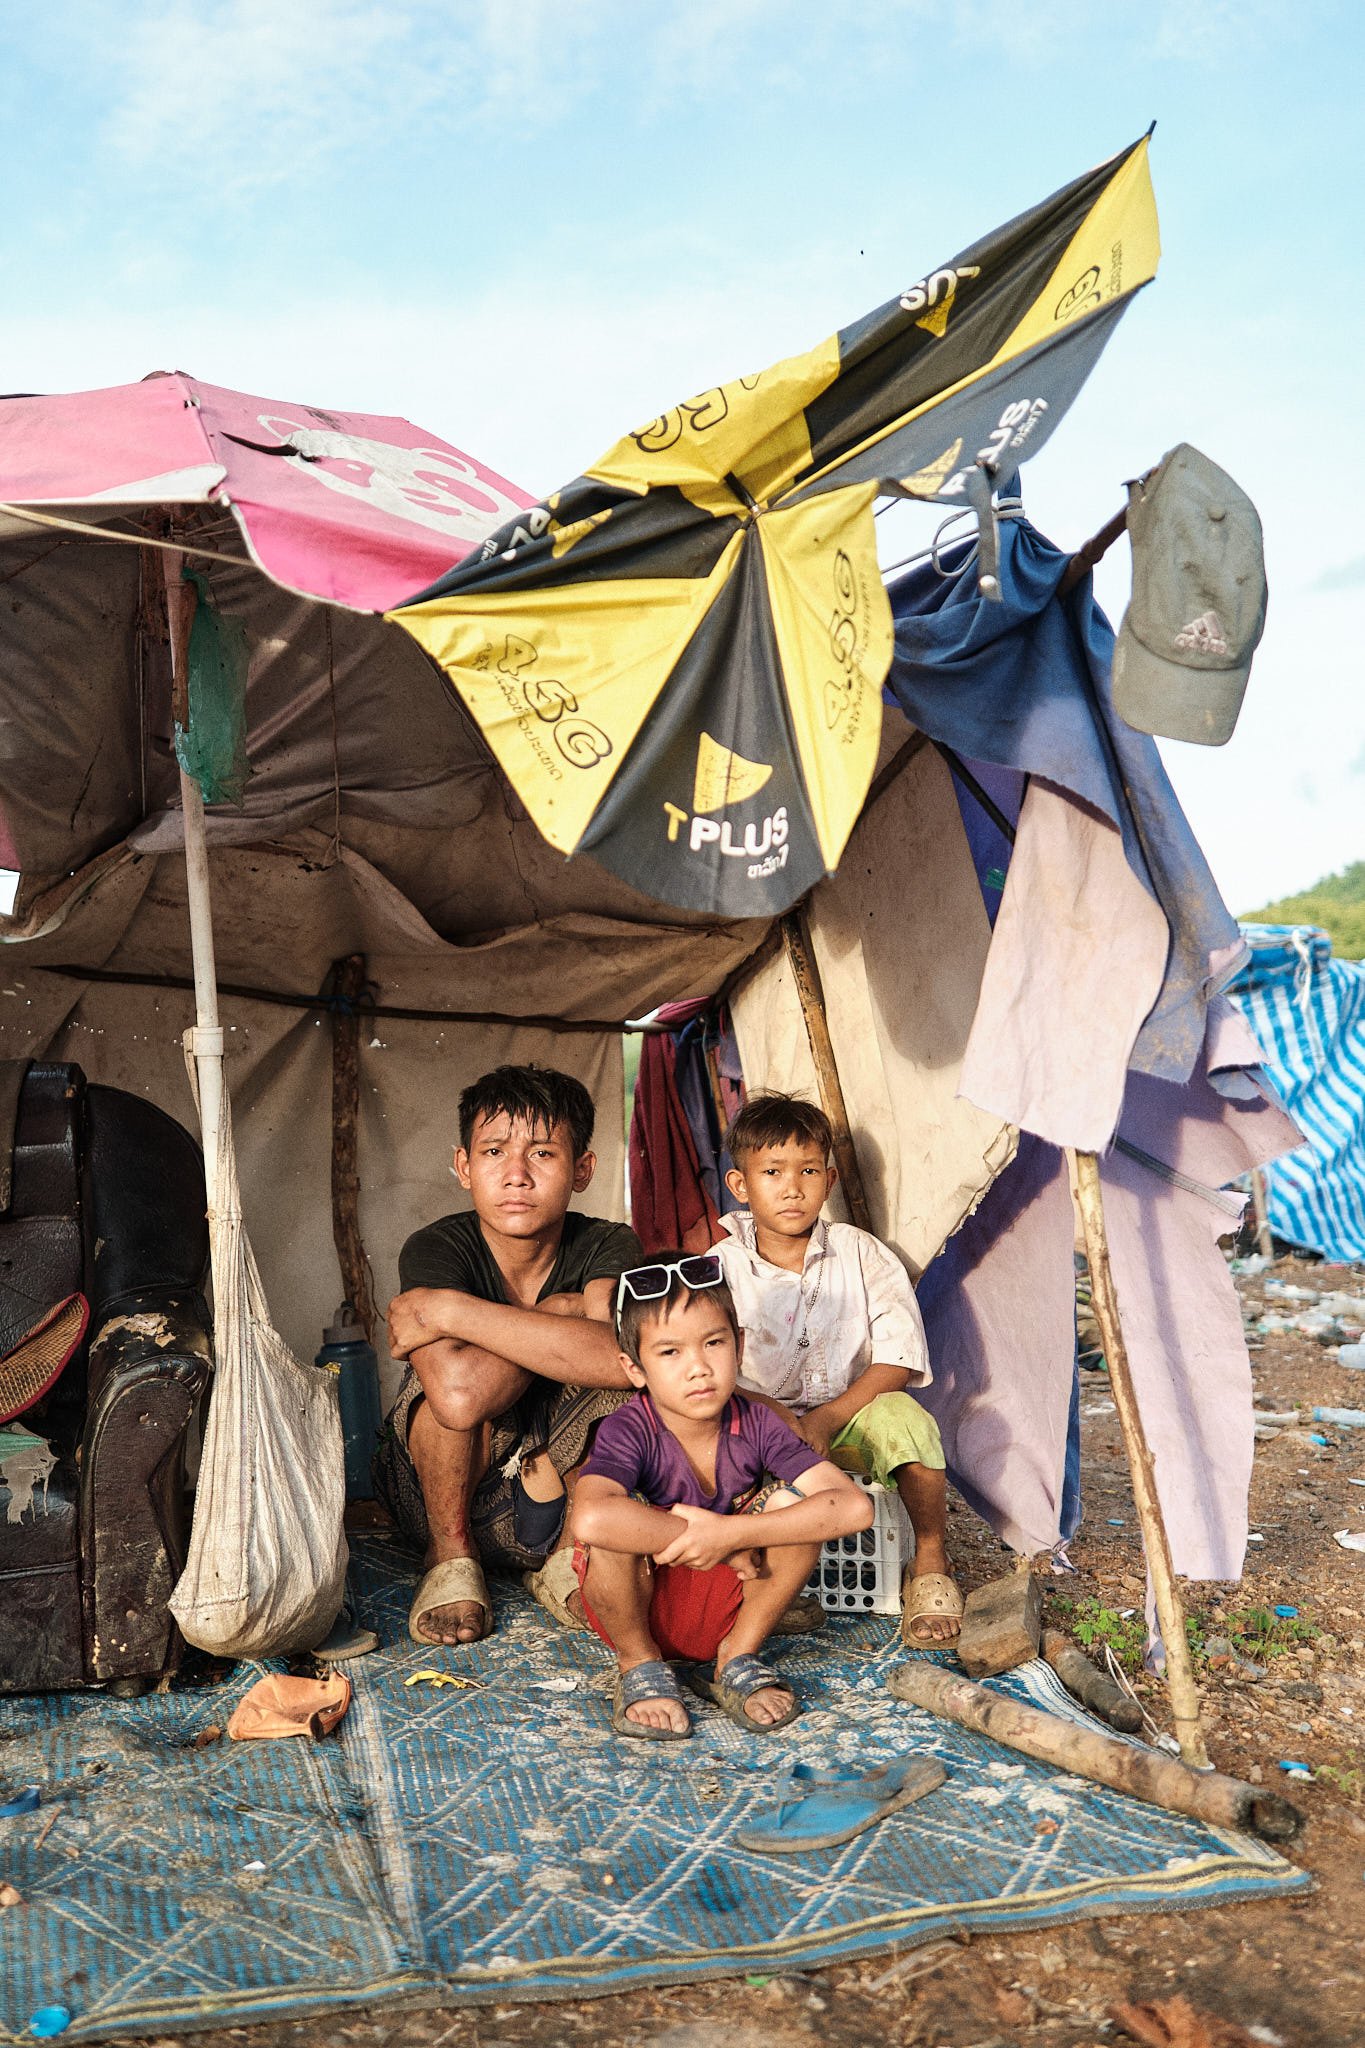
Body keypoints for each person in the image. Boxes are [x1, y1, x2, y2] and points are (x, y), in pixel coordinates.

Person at [376, 1064, 642, 1648]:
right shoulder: (438, 1247)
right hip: (446, 1500)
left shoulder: (607, 1242)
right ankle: (450, 1561)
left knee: (622, 1388)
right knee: (435, 1394)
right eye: (494, 1152)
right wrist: (562, 1315)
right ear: (464, 1167)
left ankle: (571, 1559)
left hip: (567, 1501)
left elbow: (622, 1360)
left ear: (582, 1170)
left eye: (543, 1153)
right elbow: (459, 1396)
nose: (516, 1175)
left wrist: (452, 1312)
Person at [569, 1252, 873, 1740]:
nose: (698, 1368)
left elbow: (852, 1507)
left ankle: (737, 1656)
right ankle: (638, 1663)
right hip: (641, 1610)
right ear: (634, 1368)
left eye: (713, 1343)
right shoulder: (629, 1429)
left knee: (796, 1508)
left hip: (730, 1608)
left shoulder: (758, 1422)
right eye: (670, 1352)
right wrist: (721, 1545)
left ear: (739, 1345)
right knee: (615, 1525)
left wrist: (733, 1532)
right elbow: (590, 1518)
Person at [712, 1093, 963, 1645]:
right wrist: (774, 1414)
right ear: (740, 1185)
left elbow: (898, 1357)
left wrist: (827, 1418)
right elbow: (707, 1364)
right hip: (757, 1414)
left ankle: (930, 1559)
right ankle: (765, 1574)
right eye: (772, 1172)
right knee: (707, 1435)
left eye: (807, 1171)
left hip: (852, 1412)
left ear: (828, 1181)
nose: (792, 1188)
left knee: (909, 1423)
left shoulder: (862, 1252)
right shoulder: (719, 1267)